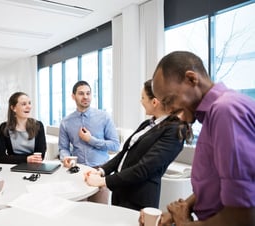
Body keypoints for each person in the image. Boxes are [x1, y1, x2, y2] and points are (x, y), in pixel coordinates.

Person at [146, 51, 255, 226]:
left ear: (191, 79)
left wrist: (184, 223)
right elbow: (217, 182)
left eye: (169, 100)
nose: (167, 110)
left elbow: (242, 217)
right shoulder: (212, 115)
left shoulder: (225, 111)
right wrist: (186, 206)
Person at [84, 79, 191, 211]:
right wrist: (101, 171)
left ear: (154, 102)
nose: (141, 101)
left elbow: (144, 168)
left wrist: (104, 181)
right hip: (121, 192)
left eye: (143, 97)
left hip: (139, 199)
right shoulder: (147, 124)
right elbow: (124, 153)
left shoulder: (174, 130)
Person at [58, 80, 120, 203]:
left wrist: (91, 140)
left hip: (100, 171)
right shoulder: (66, 122)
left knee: (99, 212)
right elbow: (63, 148)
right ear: (73, 96)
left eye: (88, 93)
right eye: (81, 93)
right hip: (77, 171)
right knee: (78, 212)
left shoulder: (104, 117)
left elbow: (115, 145)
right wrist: (65, 157)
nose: (85, 97)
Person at [0, 92, 46, 164]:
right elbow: (0, 157)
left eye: (29, 103)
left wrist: (16, 158)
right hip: (12, 167)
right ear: (13, 108)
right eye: (24, 104)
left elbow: (41, 155)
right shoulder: (4, 128)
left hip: (34, 166)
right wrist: (26, 159)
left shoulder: (38, 125)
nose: (29, 107)